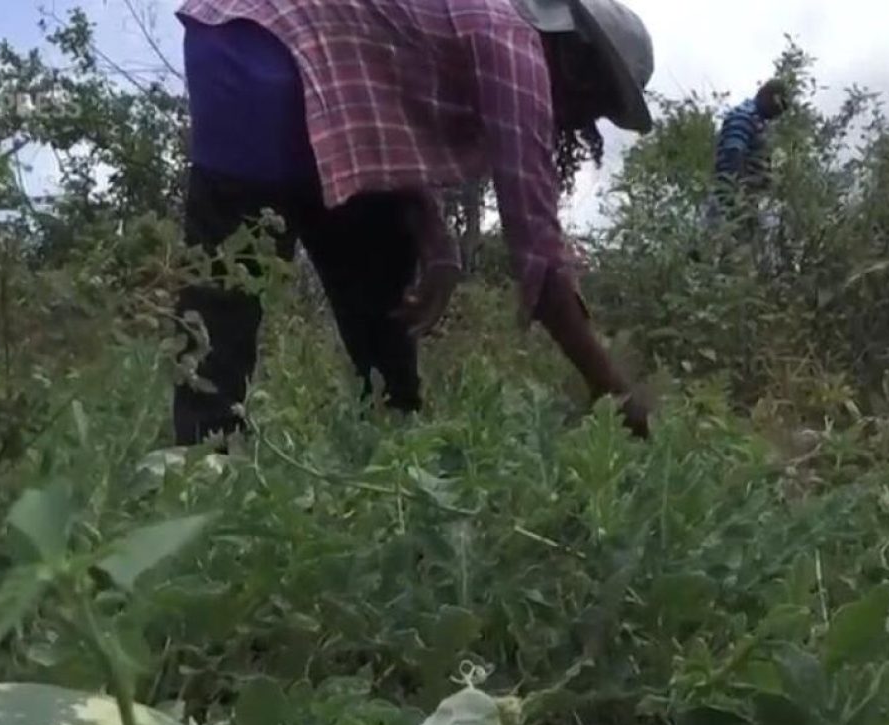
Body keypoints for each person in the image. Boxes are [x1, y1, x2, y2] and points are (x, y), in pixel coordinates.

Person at [171, 0, 655, 447]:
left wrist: (436, 244)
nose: (575, 123)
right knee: (227, 290)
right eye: (592, 107)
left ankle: (394, 449)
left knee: (376, 269)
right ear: (578, 62)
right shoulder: (517, 48)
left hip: (276, 61)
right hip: (258, 48)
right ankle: (205, 466)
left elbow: (377, 110)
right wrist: (612, 390)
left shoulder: (479, 20)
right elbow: (538, 250)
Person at [707, 78, 789, 240]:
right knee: (726, 251)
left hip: (746, 201)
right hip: (729, 201)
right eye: (779, 106)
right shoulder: (744, 116)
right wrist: (739, 201)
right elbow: (733, 154)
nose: (780, 112)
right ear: (767, 96)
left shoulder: (759, 122)